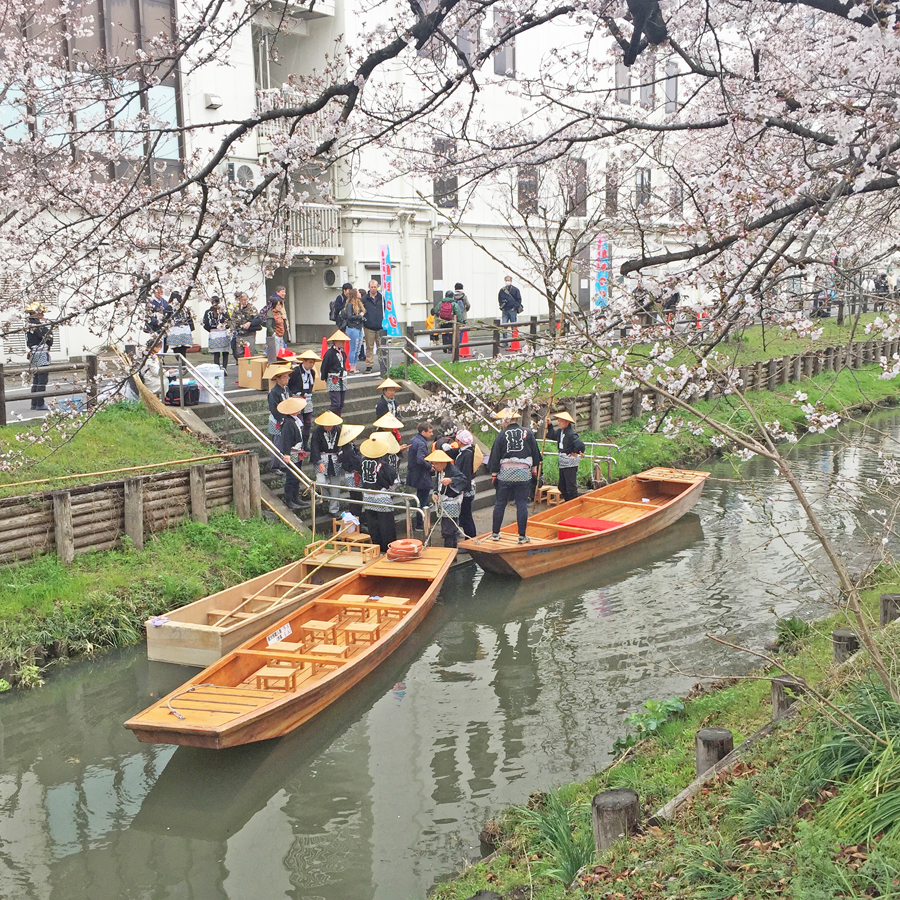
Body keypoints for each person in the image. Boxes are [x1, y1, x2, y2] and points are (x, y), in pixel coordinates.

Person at [489, 408, 541, 543]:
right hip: (523, 473)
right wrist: (534, 473)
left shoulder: (501, 435)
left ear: (506, 420)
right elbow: (535, 456)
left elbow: (495, 457)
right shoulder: (528, 433)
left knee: (500, 503)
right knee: (521, 504)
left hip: (505, 473)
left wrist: (494, 475)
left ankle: (495, 533)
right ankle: (522, 536)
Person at [359, 436, 397, 552]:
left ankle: (377, 546)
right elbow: (392, 478)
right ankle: (388, 548)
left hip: (367, 496)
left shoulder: (362, 462)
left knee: (373, 523)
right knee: (386, 524)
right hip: (381, 496)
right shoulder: (382, 465)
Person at [427, 449, 468, 548]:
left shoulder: (452, 470)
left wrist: (451, 480)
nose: (434, 466)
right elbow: (437, 485)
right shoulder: (440, 471)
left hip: (452, 501)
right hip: (444, 501)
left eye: (436, 464)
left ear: (442, 463)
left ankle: (450, 550)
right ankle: (452, 551)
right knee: (449, 528)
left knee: (449, 529)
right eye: (433, 464)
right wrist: (435, 493)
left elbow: (464, 480)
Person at [275, 397, 309, 510]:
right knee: (291, 477)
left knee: (297, 475)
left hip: (297, 451)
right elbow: (286, 440)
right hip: (291, 452)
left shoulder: (294, 420)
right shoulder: (288, 423)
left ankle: (296, 497)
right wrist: (286, 453)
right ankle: (289, 499)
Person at [310, 410, 343, 518]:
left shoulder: (339, 430)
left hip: (335, 459)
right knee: (321, 481)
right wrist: (319, 462)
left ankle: (333, 509)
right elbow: (314, 447)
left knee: (335, 486)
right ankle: (326, 497)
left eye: (330, 425)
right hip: (322, 458)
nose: (328, 427)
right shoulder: (316, 432)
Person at [288, 349, 319, 461]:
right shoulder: (296, 371)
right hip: (297, 398)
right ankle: (298, 443)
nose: (311, 364)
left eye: (313, 362)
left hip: (307, 399)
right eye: (309, 362)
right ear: (304, 361)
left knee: (308, 422)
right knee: (299, 423)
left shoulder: (312, 373)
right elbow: (289, 385)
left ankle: (305, 444)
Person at [546, 410, 585, 502]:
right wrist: (550, 425)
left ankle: (573, 502)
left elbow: (580, 445)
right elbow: (552, 435)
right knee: (562, 486)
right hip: (563, 461)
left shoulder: (571, 433)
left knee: (570, 485)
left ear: (567, 422)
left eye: (561, 421)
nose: (559, 423)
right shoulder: (560, 432)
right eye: (558, 421)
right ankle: (568, 501)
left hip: (570, 462)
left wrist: (574, 451)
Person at [25, 302, 53, 411]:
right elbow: (48, 338)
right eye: (41, 312)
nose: (43, 314)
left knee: (36, 380)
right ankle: (39, 403)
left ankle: (34, 403)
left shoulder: (28, 325)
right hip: (40, 353)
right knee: (42, 380)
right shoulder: (37, 326)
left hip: (33, 354)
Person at [454, 429, 480, 538]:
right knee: (465, 515)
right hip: (466, 487)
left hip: (465, 489)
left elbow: (465, 474)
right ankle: (470, 537)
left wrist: (461, 488)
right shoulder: (466, 451)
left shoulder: (467, 454)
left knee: (466, 516)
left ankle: (470, 537)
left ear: (461, 441)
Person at [406, 420, 435, 511]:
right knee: (423, 500)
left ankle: (420, 522)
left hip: (414, 474)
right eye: (429, 432)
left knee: (420, 498)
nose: (432, 434)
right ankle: (422, 522)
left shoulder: (414, 440)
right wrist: (430, 467)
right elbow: (420, 460)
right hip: (422, 475)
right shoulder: (422, 443)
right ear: (423, 432)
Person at [337, 423, 365, 515]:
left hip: (352, 474)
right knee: (356, 498)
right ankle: (356, 517)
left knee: (357, 497)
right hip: (353, 475)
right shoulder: (347, 450)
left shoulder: (350, 447)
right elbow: (356, 462)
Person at [320, 330, 349, 415]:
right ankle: (328, 416)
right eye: (341, 341)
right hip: (333, 379)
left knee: (341, 404)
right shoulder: (330, 353)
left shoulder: (342, 353)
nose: (343, 343)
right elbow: (325, 366)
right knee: (335, 403)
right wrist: (324, 377)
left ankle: (337, 421)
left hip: (342, 379)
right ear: (336, 341)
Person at [230, 291, 264, 360]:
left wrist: (250, 323)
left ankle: (249, 369)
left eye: (246, 300)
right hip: (239, 335)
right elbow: (232, 321)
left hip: (249, 334)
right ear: (239, 300)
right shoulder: (236, 310)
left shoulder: (251, 308)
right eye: (242, 300)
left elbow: (259, 320)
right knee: (239, 353)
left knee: (249, 353)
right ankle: (241, 368)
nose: (244, 302)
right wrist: (232, 330)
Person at [361, 280, 384, 374]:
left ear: (377, 287)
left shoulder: (381, 298)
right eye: (372, 287)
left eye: (375, 287)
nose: (374, 289)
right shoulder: (365, 299)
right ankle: (369, 365)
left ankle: (383, 364)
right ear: (369, 287)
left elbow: (386, 309)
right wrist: (363, 317)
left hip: (380, 326)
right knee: (369, 347)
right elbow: (359, 309)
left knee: (381, 346)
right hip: (369, 326)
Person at [340, 289, 366, 372]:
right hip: (352, 328)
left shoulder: (359, 304)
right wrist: (359, 316)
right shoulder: (349, 305)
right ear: (354, 294)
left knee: (358, 348)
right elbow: (349, 317)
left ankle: (354, 366)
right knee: (353, 348)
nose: (359, 293)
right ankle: (352, 367)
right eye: (358, 292)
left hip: (359, 327)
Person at [202, 296, 230, 369]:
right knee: (223, 353)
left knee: (218, 353)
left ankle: (219, 369)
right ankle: (223, 368)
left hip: (215, 334)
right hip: (222, 333)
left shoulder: (221, 311)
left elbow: (206, 325)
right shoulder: (210, 312)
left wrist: (211, 329)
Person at [265, 364, 293, 437]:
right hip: (277, 419)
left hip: (286, 418)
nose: (286, 379)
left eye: (287, 377)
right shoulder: (273, 392)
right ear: (278, 379)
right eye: (284, 377)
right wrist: (281, 420)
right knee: (278, 441)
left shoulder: (287, 389)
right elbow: (273, 408)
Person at [167, 292, 195, 359]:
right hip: (185, 330)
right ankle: (183, 363)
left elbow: (166, 318)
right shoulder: (184, 308)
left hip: (175, 330)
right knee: (183, 349)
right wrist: (191, 328)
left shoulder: (169, 307)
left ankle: (182, 364)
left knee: (176, 349)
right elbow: (189, 318)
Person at [498, 275, 523, 348]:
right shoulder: (502, 290)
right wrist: (501, 305)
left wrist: (514, 308)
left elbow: (519, 300)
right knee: (504, 326)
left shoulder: (515, 290)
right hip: (505, 310)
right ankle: (505, 341)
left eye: (508, 280)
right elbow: (499, 299)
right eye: (506, 280)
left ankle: (514, 341)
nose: (507, 282)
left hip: (512, 310)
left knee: (513, 326)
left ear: (511, 281)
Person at [144, 284, 171, 350]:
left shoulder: (164, 302)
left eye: (161, 292)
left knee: (165, 344)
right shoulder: (150, 302)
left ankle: (162, 358)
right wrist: (156, 321)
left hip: (163, 326)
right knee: (154, 344)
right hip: (153, 326)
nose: (160, 294)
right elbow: (148, 315)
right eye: (158, 292)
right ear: (154, 292)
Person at [265, 295, 290, 363]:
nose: (280, 307)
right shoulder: (270, 314)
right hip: (275, 336)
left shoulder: (280, 313)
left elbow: (282, 323)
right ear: (274, 305)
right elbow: (269, 325)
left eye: (281, 305)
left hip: (281, 335)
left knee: (281, 352)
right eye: (278, 305)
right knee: (275, 353)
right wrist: (274, 334)